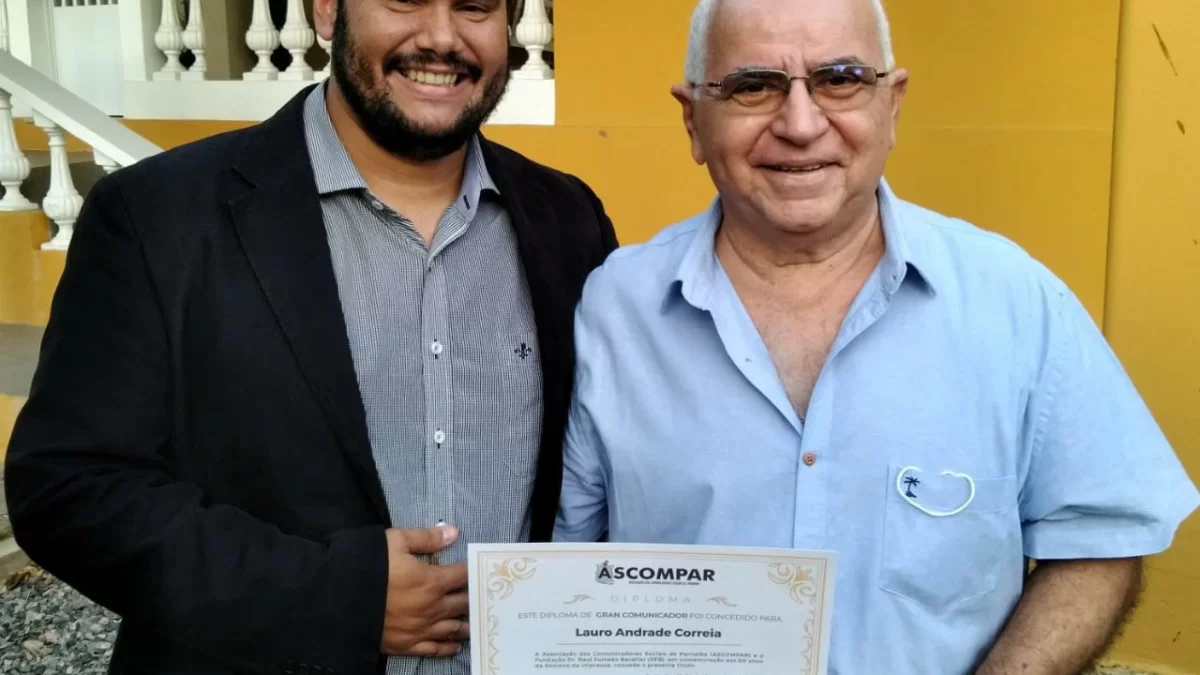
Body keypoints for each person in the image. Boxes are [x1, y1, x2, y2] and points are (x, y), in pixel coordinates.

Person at [553, 0, 1199, 673]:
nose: (801, 124)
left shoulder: (1014, 301)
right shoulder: (618, 306)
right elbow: (566, 559)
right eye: (753, 86)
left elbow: (1099, 538)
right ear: (693, 120)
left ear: (892, 105)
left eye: (840, 79)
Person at [4, 0, 616, 673]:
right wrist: (334, 596)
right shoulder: (158, 218)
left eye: (474, 6)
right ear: (326, 10)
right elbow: (69, 488)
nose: (443, 37)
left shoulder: (569, 220)